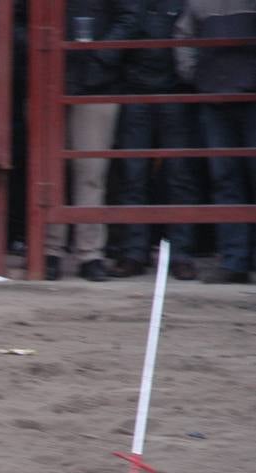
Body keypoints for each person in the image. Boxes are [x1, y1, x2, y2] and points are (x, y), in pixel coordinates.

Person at [44, 0, 140, 282]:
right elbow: (19, 22)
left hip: (96, 82)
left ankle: (89, 253)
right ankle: (50, 249)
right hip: (48, 79)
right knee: (49, 173)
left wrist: (100, 54)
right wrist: (44, 50)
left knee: (91, 172)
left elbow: (129, 17)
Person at [110, 0, 201, 281]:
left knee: (179, 175)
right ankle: (133, 252)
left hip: (175, 93)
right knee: (133, 174)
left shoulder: (182, 2)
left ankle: (181, 254)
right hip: (135, 92)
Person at [176, 0, 255, 285]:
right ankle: (234, 260)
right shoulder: (198, 2)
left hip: (250, 98)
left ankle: (240, 259)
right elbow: (183, 36)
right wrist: (194, 74)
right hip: (214, 98)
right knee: (224, 178)